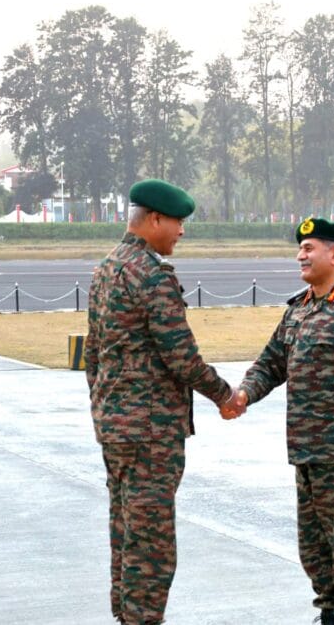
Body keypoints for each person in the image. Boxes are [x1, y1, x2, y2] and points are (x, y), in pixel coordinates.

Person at [85, 179, 244, 625]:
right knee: (151, 542)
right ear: (155, 219)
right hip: (150, 431)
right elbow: (181, 356)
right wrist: (223, 395)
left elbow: (93, 356)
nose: (182, 232)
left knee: (125, 530)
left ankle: (126, 615)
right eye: (178, 223)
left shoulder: (107, 268)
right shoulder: (151, 275)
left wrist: (104, 410)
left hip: (116, 428)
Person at [233, 218, 334, 625]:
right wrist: (242, 395)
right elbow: (271, 363)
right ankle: (329, 615)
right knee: (313, 551)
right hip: (306, 453)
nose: (300, 255)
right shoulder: (299, 309)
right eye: (300, 248)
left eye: (309, 247)